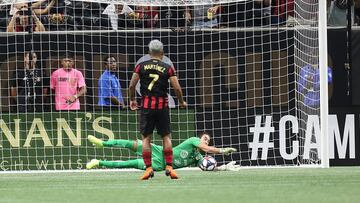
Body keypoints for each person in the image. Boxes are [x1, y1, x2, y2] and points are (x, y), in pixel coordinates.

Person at [129, 39, 187, 180]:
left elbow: (132, 85)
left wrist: (132, 100)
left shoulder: (140, 66)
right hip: (162, 107)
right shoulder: (167, 68)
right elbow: (177, 87)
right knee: (166, 137)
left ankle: (148, 169)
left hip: (147, 107)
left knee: (146, 139)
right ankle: (169, 167)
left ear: (149, 53)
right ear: (162, 53)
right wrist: (181, 102)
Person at [86, 132, 238, 171]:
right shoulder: (193, 141)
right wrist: (222, 151)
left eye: (208, 140)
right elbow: (206, 149)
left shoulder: (198, 158)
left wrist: (223, 167)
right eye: (205, 138)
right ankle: (102, 143)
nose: (206, 141)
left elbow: (207, 167)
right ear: (200, 139)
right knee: (129, 143)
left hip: (158, 164)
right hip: (158, 151)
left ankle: (98, 162)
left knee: (126, 164)